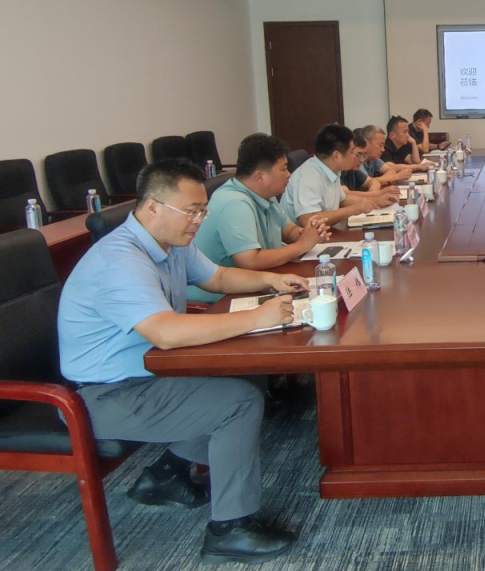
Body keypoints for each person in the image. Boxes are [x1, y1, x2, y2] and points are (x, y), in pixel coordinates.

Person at [58, 159, 307, 563]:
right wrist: (257, 318)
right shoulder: (120, 261)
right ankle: (230, 529)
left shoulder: (169, 243)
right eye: (191, 212)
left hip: (150, 373)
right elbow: (166, 333)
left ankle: (166, 476)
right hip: (103, 397)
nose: (198, 221)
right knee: (237, 402)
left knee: (248, 374)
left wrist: (272, 280)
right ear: (153, 207)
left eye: (202, 211)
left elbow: (218, 278)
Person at [189, 133, 332, 303]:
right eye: (283, 169)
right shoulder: (234, 202)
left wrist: (309, 233)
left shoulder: (266, 195)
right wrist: (302, 245)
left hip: (255, 283)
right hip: (218, 299)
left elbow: (289, 231)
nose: (289, 174)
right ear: (260, 176)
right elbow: (250, 261)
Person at [280, 124, 380, 227]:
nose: (354, 157)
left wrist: (375, 202)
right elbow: (309, 220)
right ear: (336, 156)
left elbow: (342, 200)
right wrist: (353, 209)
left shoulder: (332, 169)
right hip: (301, 235)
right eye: (351, 152)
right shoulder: (308, 176)